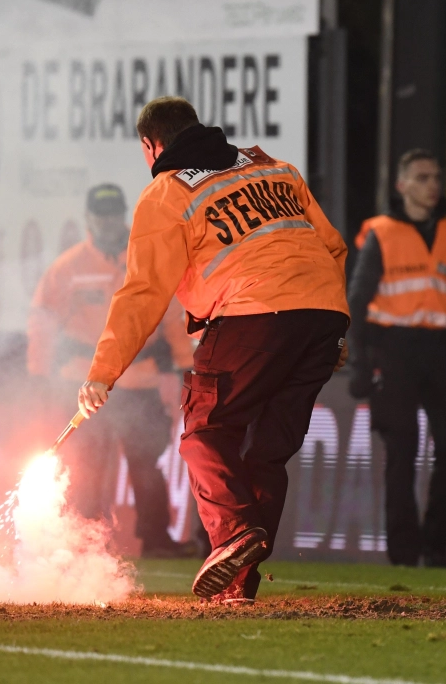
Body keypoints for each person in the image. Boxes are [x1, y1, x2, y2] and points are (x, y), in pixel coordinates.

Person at [76, 96, 350, 604]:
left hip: (252, 314)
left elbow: (142, 293)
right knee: (265, 453)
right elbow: (331, 245)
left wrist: (102, 372)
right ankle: (238, 586)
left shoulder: (167, 193)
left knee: (204, 434)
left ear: (150, 146)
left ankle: (233, 534)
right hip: (323, 315)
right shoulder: (274, 168)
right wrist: (333, 325)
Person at [28, 183, 195, 558]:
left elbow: (172, 316)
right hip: (83, 383)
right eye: (101, 214)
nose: (108, 221)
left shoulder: (144, 260)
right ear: (88, 218)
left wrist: (187, 367)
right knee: (85, 471)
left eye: (114, 213)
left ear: (124, 216)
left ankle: (157, 541)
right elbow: (42, 324)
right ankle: (85, 547)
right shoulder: (67, 269)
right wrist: (38, 374)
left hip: (140, 381)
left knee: (147, 466)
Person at [346, 149, 446, 568]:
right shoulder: (381, 232)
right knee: (401, 451)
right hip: (392, 350)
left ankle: (434, 543)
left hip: (440, 352)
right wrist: (359, 364)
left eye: (436, 177)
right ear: (402, 185)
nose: (433, 185)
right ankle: (405, 553)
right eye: (423, 177)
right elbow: (356, 301)